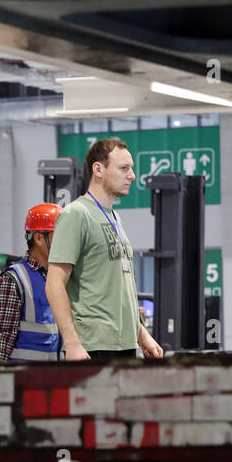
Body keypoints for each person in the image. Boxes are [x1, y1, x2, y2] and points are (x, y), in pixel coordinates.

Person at [46, 138, 164, 362]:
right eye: (124, 168)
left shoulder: (114, 217)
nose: (132, 175)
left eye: (131, 169)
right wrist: (72, 343)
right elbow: (54, 284)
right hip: (93, 348)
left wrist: (141, 334)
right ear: (98, 169)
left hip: (124, 345)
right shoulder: (76, 215)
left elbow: (117, 289)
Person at [0, 203, 62, 362]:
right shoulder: (12, 280)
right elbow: (2, 337)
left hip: (55, 377)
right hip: (24, 378)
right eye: (59, 235)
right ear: (39, 237)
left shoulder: (58, 277)